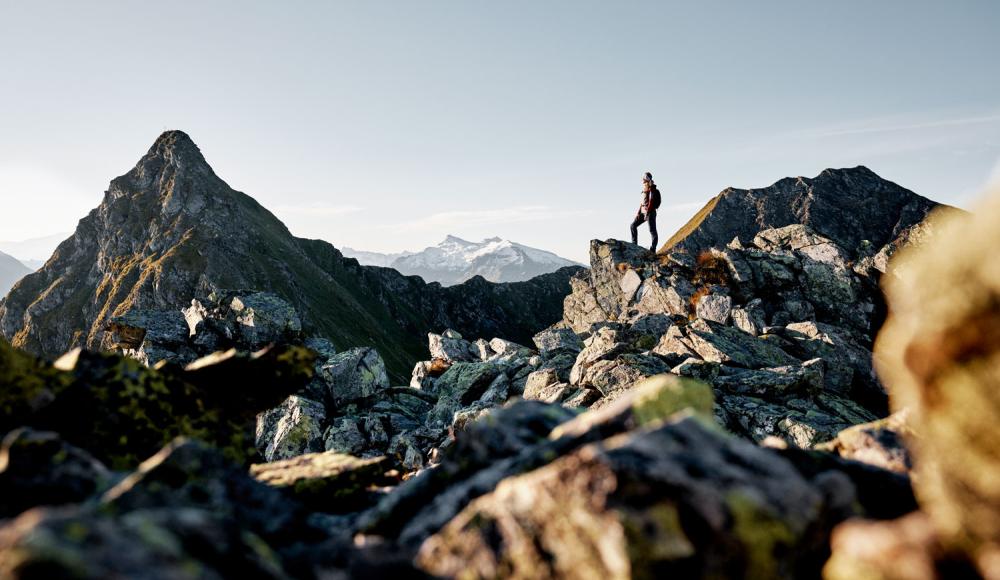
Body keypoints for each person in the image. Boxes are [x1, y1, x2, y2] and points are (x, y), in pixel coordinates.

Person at [630, 171, 659, 251]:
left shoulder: (652, 189)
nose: (642, 178)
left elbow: (651, 201)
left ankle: (653, 249)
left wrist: (648, 212)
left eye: (644, 177)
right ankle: (634, 244)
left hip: (650, 213)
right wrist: (638, 213)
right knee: (633, 225)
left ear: (647, 179)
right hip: (643, 212)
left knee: (652, 231)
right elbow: (642, 203)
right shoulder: (644, 188)